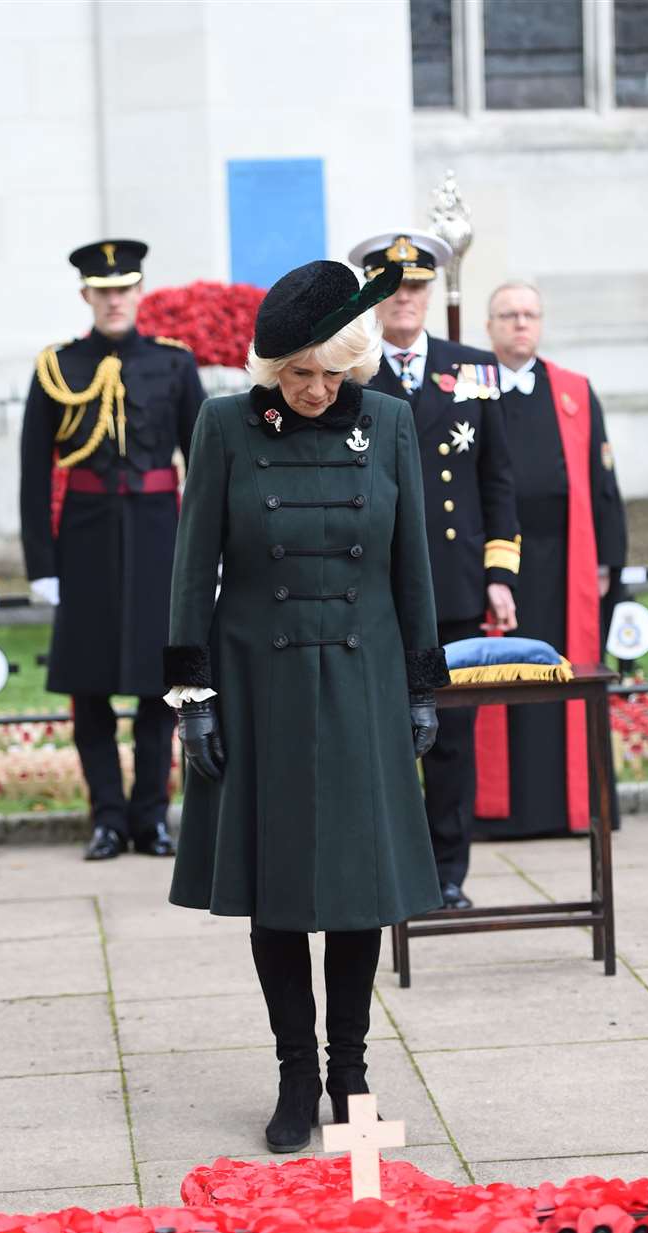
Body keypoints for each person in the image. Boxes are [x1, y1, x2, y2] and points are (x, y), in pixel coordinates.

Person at [163, 259, 446, 1153]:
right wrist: (193, 692)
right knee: (278, 890)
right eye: (298, 376)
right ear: (268, 372)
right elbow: (192, 560)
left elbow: (412, 566)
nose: (317, 391)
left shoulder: (391, 423)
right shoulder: (224, 426)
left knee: (359, 888)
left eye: (331, 373)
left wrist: (420, 682)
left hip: (361, 679)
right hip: (260, 680)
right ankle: (294, 1074)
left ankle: (350, 1072)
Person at [349, 230, 521, 909]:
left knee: (449, 738)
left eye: (416, 286)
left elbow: (498, 481)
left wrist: (499, 575)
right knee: (377, 733)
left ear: (429, 293)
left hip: (450, 583)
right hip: (374, 586)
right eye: (391, 288)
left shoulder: (473, 370)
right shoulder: (350, 371)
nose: (405, 299)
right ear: (374, 297)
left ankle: (448, 872)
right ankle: (387, 864)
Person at [20, 238, 205, 860]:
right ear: (86, 297)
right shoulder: (57, 365)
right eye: (103, 292)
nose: (114, 301)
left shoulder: (174, 365)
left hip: (158, 531)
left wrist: (210, 553)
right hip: (87, 534)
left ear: (138, 293)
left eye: (124, 289)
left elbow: (202, 467)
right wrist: (42, 565)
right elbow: (31, 471)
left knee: (161, 684)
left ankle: (151, 818)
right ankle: (106, 818)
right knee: (91, 685)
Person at [474, 279, 628, 838]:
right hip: (495, 565)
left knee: (565, 677)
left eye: (529, 314)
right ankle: (500, 813)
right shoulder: (469, 386)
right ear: (488, 326)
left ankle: (575, 806)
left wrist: (610, 561)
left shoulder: (573, 391)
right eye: (508, 314)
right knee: (501, 680)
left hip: (566, 562)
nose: (520, 324)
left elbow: (602, 482)